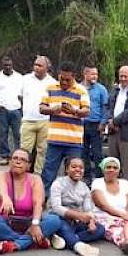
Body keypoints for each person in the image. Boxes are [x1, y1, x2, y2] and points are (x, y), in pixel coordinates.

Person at [0, 148, 62, 254]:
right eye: (15, 158)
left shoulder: (35, 179)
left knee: (54, 220)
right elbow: (1, 188)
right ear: (10, 161)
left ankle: (15, 244)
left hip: (29, 223)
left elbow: (38, 203)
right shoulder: (1, 175)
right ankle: (33, 240)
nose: (18, 161)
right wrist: (5, 198)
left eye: (23, 160)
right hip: (5, 224)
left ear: (28, 165)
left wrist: (35, 224)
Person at [39, 61, 90, 195]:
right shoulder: (50, 88)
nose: (64, 82)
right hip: (54, 139)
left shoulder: (81, 90)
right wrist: (52, 110)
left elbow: (86, 111)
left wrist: (74, 111)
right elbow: (42, 108)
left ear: (74, 77)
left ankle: (71, 202)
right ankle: (43, 199)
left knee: (74, 173)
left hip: (74, 141)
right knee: (48, 171)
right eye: (62, 79)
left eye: (68, 80)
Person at [47, 158, 105, 256]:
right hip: (59, 218)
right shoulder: (58, 183)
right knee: (62, 225)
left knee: (100, 229)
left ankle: (66, 238)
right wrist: (79, 215)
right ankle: (78, 246)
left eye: (81, 167)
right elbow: (56, 208)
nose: (78, 169)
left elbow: (88, 209)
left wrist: (91, 221)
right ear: (66, 169)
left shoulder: (84, 187)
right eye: (74, 167)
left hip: (77, 221)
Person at [91, 157, 128, 256]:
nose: (111, 170)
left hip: (121, 216)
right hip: (102, 217)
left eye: (115, 167)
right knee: (116, 230)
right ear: (103, 169)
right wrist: (124, 215)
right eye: (108, 167)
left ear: (119, 170)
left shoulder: (126, 184)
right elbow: (103, 205)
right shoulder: (97, 182)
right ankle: (127, 245)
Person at [20, 55, 57, 173]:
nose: (36, 67)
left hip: (45, 121)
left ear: (47, 68)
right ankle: (22, 173)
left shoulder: (53, 83)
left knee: (43, 150)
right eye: (35, 64)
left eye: (40, 65)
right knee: (24, 150)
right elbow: (20, 96)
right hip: (28, 120)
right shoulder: (25, 79)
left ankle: (37, 175)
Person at [0, 56, 23, 165]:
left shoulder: (19, 77)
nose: (8, 67)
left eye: (9, 65)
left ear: (12, 65)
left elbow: (24, 93)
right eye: (5, 65)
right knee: (3, 133)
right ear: (2, 66)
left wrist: (23, 105)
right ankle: (4, 156)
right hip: (2, 109)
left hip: (16, 109)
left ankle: (18, 157)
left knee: (18, 134)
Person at [82, 66, 109, 182]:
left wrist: (103, 123)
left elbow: (106, 108)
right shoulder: (79, 88)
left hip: (96, 124)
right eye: (92, 74)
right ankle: (86, 177)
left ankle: (99, 178)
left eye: (96, 74)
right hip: (81, 124)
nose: (95, 77)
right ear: (85, 74)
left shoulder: (101, 89)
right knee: (83, 153)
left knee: (98, 153)